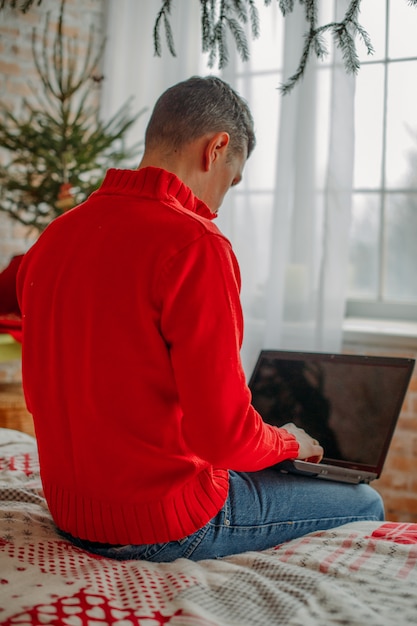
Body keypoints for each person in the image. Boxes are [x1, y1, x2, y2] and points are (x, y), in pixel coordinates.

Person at [17, 76, 384, 563]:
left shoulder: (54, 239)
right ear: (216, 148)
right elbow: (223, 437)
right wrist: (288, 442)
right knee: (367, 501)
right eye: (231, 183)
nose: (218, 205)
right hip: (164, 523)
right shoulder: (195, 246)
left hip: (73, 513)